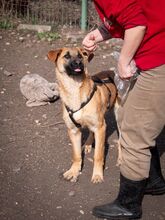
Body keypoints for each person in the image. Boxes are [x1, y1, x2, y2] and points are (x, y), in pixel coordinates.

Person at [82, 0, 165, 219]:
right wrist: (100, 33)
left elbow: (137, 25)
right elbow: (131, 13)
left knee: (134, 131)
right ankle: (153, 181)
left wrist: (124, 61)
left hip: (159, 58)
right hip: (157, 52)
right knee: (138, 117)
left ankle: (128, 205)